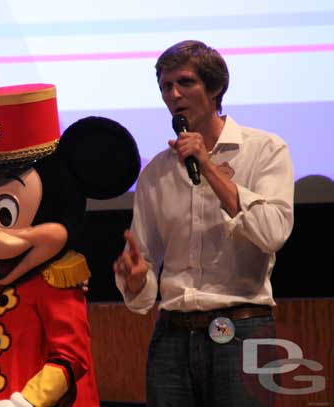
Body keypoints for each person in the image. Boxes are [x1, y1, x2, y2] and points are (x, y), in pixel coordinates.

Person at [113, 40, 294, 406]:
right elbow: (144, 267)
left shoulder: (265, 150)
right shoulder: (156, 173)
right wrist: (135, 279)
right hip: (172, 337)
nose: (173, 94)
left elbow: (273, 233)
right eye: (166, 87)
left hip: (242, 330)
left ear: (215, 89)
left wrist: (208, 166)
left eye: (185, 83)